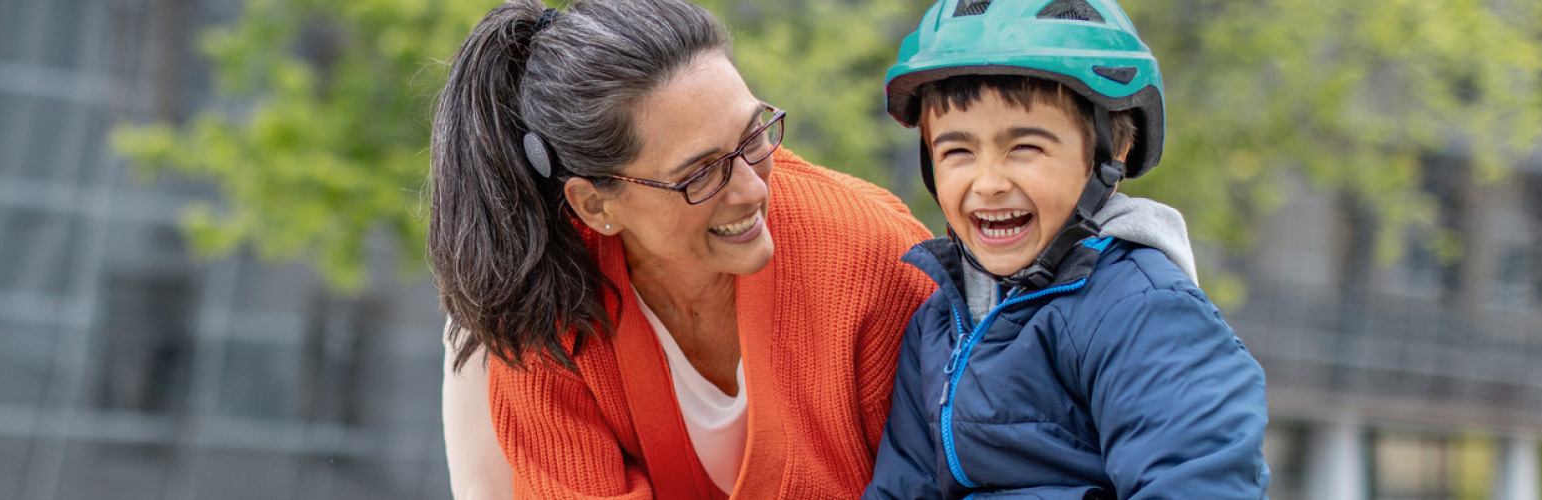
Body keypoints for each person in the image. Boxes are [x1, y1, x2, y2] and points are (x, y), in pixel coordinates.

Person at [427, 0, 937, 498]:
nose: (754, 190)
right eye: (701, 172)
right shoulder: (547, 301)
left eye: (753, 135)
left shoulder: (873, 259)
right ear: (595, 205)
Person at [861, 0, 1270, 498]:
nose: (988, 182)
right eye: (957, 151)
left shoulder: (1142, 312)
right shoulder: (938, 322)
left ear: (1109, 155)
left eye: (1025, 148)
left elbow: (1199, 481)